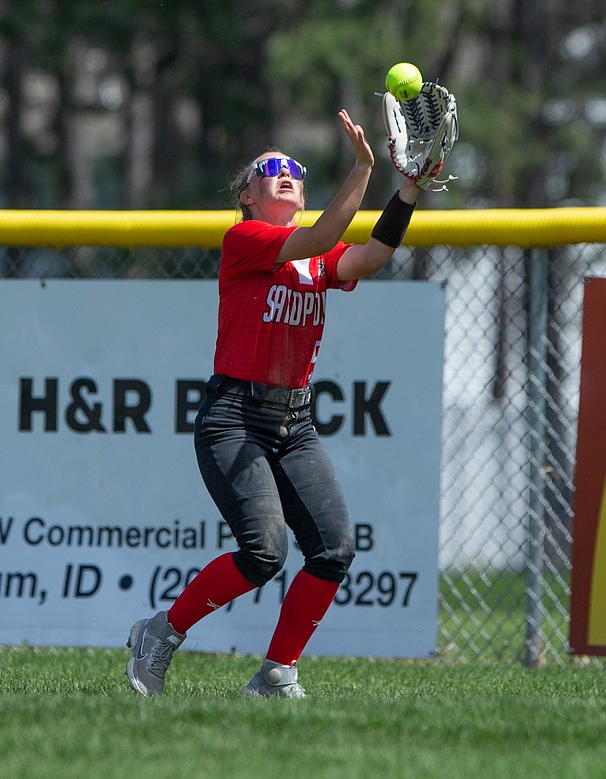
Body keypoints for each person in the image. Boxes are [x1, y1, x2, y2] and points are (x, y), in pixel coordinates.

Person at [126, 107, 425, 698]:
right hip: (233, 419)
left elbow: (370, 256)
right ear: (247, 195)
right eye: (272, 170)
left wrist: (408, 190)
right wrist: (365, 167)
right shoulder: (245, 240)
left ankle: (275, 675)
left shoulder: (315, 263)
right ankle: (160, 632)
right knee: (265, 552)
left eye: (296, 170)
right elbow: (319, 235)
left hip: (295, 422)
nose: (287, 174)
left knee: (334, 548)